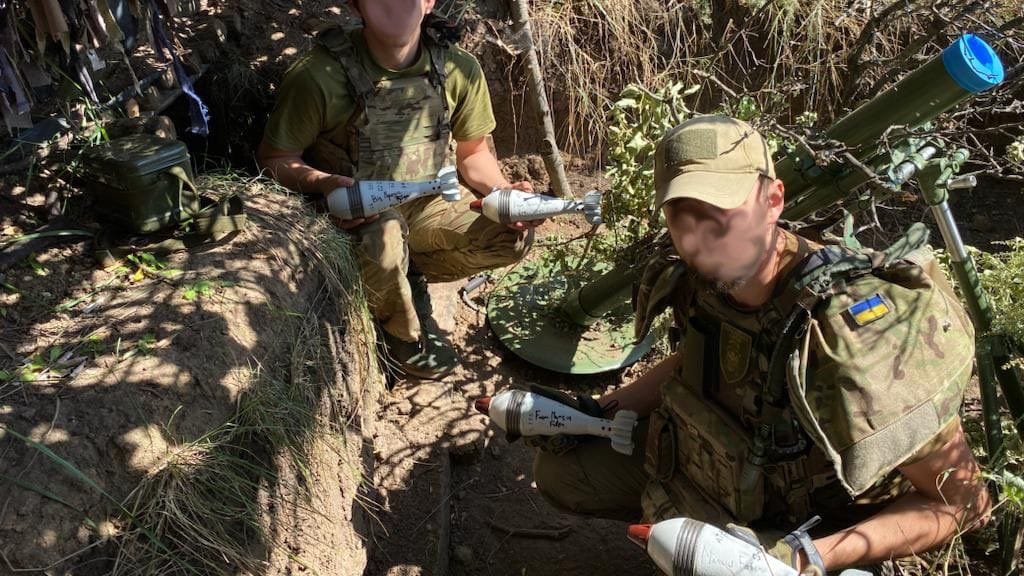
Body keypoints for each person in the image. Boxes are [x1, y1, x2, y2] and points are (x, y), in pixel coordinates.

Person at [531, 116, 990, 574]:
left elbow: (965, 502)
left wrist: (804, 559)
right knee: (566, 470)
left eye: (720, 213)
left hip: (810, 526)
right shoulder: (703, 276)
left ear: (773, 201)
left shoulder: (852, 334)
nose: (700, 237)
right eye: (682, 216)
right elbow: (690, 363)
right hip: (718, 470)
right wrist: (596, 413)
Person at [257, 0, 536, 380]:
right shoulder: (318, 76)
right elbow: (275, 158)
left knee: (510, 237)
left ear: (428, 3)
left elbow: (473, 154)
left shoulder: (458, 68)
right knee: (385, 235)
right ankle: (401, 332)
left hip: (427, 204)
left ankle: (409, 278)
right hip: (357, 218)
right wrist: (320, 183)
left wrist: (504, 193)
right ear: (357, 5)